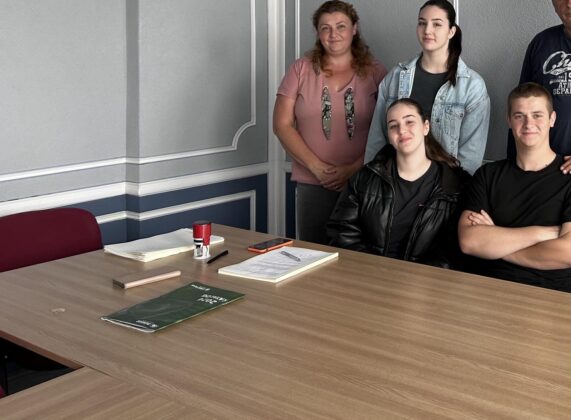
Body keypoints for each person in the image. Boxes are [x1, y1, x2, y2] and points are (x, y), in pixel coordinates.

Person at [273, 0, 387, 244]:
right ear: (318, 33)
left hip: (363, 181)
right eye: (325, 28)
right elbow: (282, 124)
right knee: (314, 252)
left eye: (341, 26)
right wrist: (317, 169)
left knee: (360, 256)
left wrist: (353, 169)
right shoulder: (300, 69)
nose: (333, 34)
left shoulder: (377, 73)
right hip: (313, 182)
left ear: (354, 29)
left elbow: (388, 130)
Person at [328, 98, 469, 267]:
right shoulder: (365, 178)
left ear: (426, 127)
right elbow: (341, 233)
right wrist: (375, 269)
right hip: (369, 274)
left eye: (409, 122)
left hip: (426, 279)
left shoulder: (454, 186)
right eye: (393, 125)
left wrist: (416, 276)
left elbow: (453, 251)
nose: (401, 130)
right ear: (388, 135)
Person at [459, 83, 571, 293]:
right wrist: (541, 233)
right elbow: (470, 241)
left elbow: (567, 253)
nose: (529, 124)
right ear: (509, 120)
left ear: (552, 119)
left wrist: (495, 244)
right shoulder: (487, 175)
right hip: (488, 290)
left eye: (537, 115)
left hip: (552, 295)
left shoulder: (569, 178)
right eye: (519, 116)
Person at [365, 0, 490, 175]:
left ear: (451, 31)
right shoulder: (395, 77)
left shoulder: (472, 87)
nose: (427, 30)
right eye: (422, 23)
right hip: (395, 183)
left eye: (437, 24)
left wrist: (453, 189)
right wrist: (370, 180)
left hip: (447, 186)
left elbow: (470, 156)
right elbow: (377, 140)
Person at [507, 0, 571, 174]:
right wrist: (513, 164)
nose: (569, 4)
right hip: (541, 169)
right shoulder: (542, 43)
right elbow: (520, 105)